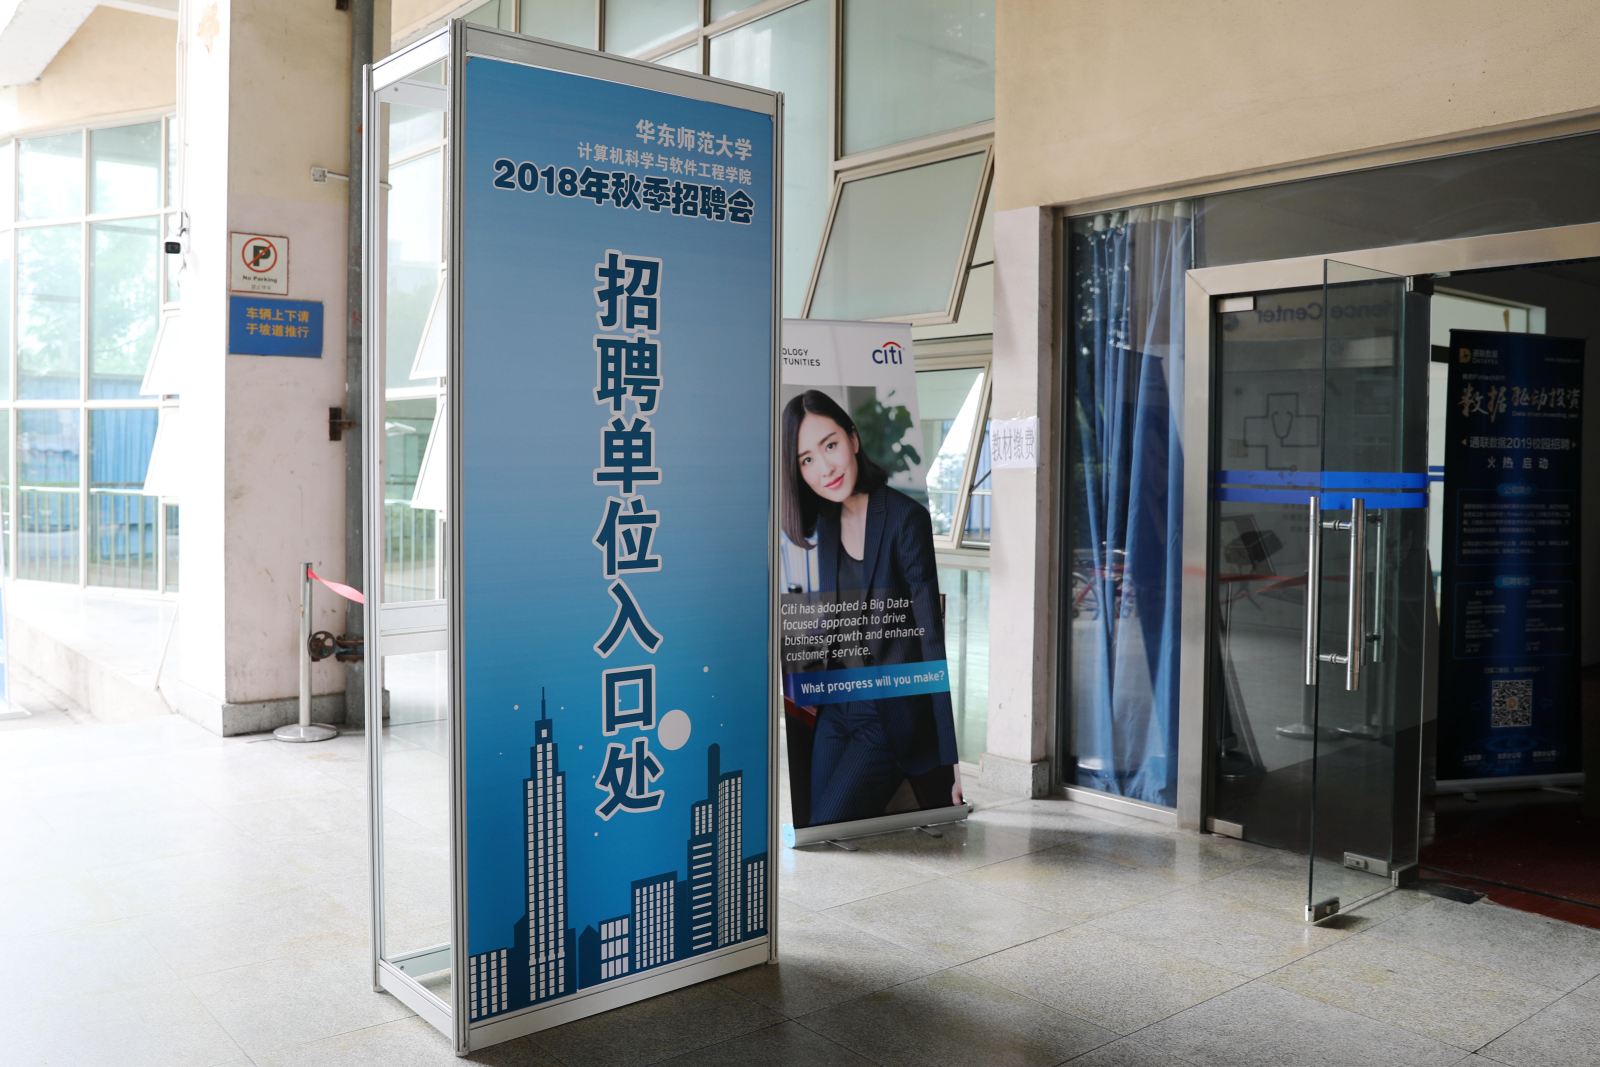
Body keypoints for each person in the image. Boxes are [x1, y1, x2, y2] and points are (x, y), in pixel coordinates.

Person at [780, 389, 962, 826]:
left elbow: (930, 638)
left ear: (853, 439)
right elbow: (842, 618)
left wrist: (951, 756)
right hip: (837, 706)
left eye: (830, 445)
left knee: (827, 822)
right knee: (809, 828)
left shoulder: (904, 519)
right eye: (807, 460)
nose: (825, 468)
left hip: (886, 715)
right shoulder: (827, 522)